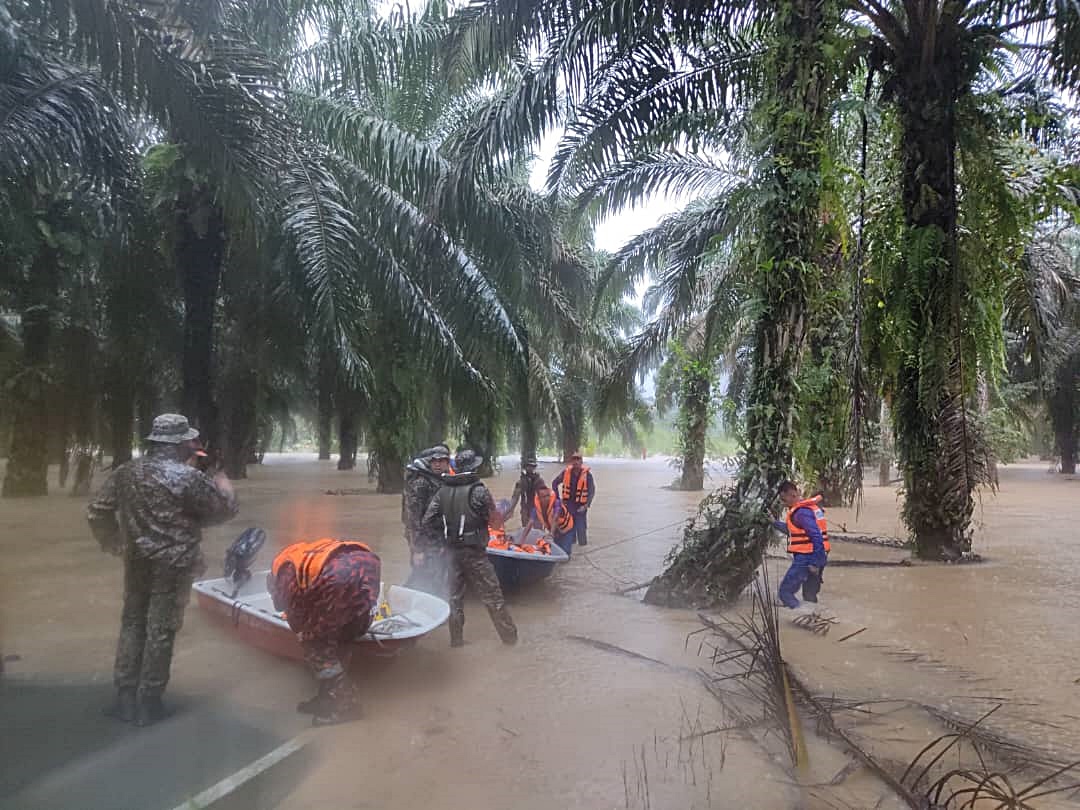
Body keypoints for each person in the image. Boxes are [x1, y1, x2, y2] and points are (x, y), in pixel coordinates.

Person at [87, 413, 238, 726]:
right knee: (161, 630)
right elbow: (222, 513)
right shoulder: (188, 478)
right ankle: (150, 703)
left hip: (137, 559)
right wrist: (223, 485)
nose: (194, 445)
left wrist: (115, 544)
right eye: (190, 442)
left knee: (132, 622)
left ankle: (124, 697)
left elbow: (97, 512)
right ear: (181, 444)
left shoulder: (126, 472)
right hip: (175, 564)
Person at [267, 539, 381, 726]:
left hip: (337, 576)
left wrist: (308, 640)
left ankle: (346, 705)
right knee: (342, 634)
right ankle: (328, 697)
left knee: (317, 647)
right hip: (366, 564)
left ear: (273, 585)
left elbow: (299, 622)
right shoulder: (292, 560)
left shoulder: (286, 580)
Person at [423, 449, 518, 647]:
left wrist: (441, 540)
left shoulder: (442, 491)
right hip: (475, 554)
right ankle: (511, 643)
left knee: (454, 598)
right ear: (474, 467)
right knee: (494, 598)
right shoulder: (479, 490)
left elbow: (427, 521)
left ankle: (456, 642)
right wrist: (507, 508)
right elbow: (495, 522)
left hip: (451, 553)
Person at [401, 444, 452, 595]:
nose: (437, 464)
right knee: (425, 577)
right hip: (424, 540)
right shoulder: (421, 484)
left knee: (431, 576)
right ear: (429, 462)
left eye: (441, 460)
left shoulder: (441, 480)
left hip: (437, 539)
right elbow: (413, 519)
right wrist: (418, 549)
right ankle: (404, 603)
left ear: (447, 463)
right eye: (434, 461)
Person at [773, 481, 830, 610]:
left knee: (785, 592)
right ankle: (814, 619)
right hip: (818, 555)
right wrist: (774, 523)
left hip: (808, 558)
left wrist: (815, 563)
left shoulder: (801, 513)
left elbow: (816, 536)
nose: (783, 503)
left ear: (792, 495)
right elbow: (794, 531)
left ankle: (803, 614)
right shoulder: (807, 509)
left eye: (783, 499)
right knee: (809, 595)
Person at [553, 451, 595, 547]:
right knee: (569, 528)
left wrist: (586, 505)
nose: (576, 462)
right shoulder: (565, 473)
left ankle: (583, 548)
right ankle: (570, 547)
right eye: (574, 459)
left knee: (581, 529)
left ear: (581, 461)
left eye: (578, 459)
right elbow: (554, 483)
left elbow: (592, 491)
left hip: (581, 506)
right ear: (571, 461)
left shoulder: (587, 475)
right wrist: (558, 499)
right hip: (568, 505)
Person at [525, 482, 575, 556]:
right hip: (556, 531)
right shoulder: (536, 508)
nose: (547, 498)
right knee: (555, 552)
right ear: (539, 498)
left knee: (565, 554)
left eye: (548, 495)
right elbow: (530, 523)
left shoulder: (556, 503)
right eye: (544, 497)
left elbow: (555, 519)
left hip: (567, 530)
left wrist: (551, 534)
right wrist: (522, 539)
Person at [505, 454, 546, 526]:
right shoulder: (521, 482)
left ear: (534, 467)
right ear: (525, 467)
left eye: (532, 466)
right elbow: (515, 497)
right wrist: (511, 510)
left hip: (537, 509)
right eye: (528, 466)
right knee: (525, 529)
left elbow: (545, 496)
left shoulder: (539, 481)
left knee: (538, 531)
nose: (530, 468)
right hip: (525, 509)